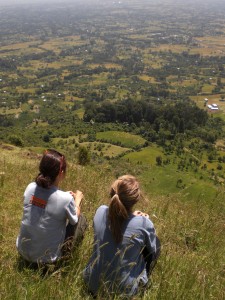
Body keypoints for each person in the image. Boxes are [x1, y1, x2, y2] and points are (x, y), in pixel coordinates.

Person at [83, 175, 160, 298]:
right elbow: (154, 252)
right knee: (150, 247)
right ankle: (142, 282)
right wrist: (141, 220)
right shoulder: (144, 223)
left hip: (92, 284)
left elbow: (118, 224)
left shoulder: (100, 212)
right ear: (136, 199)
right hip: (123, 293)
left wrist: (132, 217)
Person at [16, 149, 87, 265]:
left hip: (23, 252)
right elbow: (74, 220)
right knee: (81, 219)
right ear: (61, 173)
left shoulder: (30, 187)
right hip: (47, 261)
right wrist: (77, 200)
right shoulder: (65, 199)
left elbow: (46, 199)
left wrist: (63, 195)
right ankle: (66, 257)